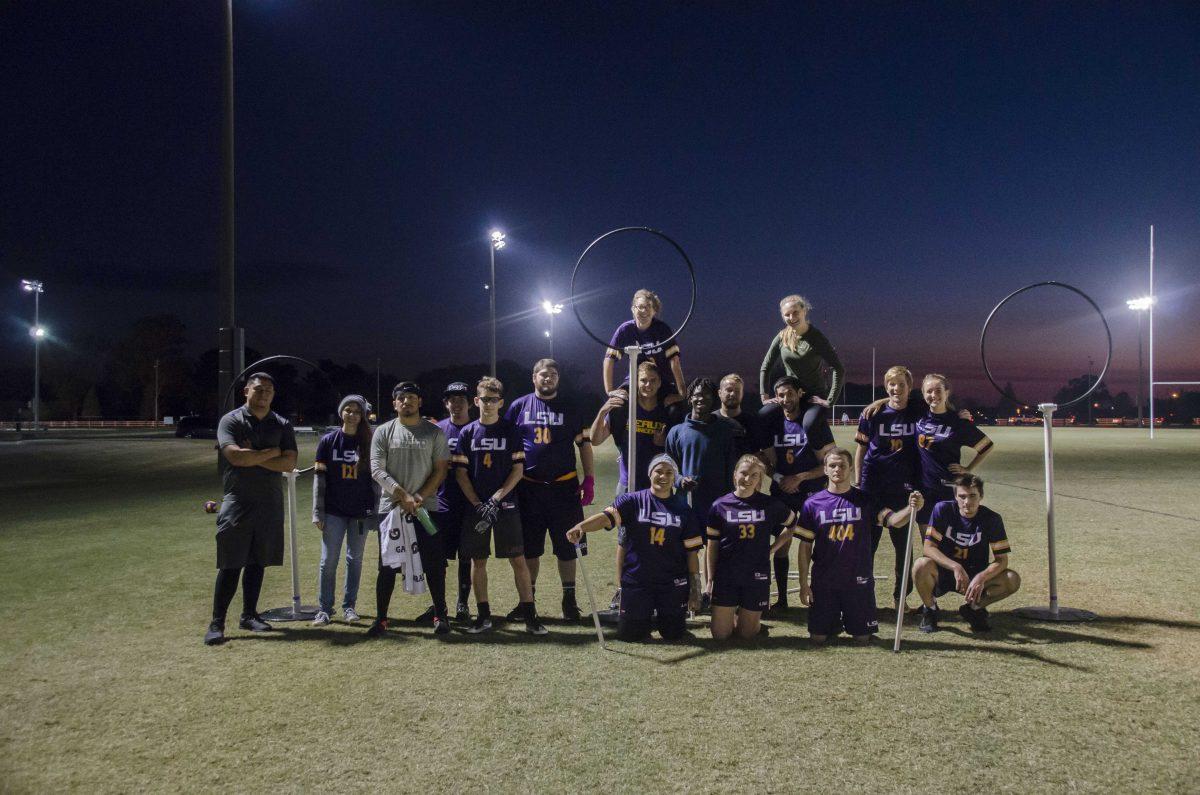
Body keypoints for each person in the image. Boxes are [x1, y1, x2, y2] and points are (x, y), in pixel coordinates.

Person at [205, 373, 298, 645]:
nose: (264, 395)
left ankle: (249, 615)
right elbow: (234, 456)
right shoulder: (231, 420)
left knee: (258, 562)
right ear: (246, 391)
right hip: (238, 501)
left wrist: (253, 456)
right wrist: (271, 453)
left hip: (269, 502)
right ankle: (217, 623)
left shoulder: (281, 423)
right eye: (258, 390)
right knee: (231, 564)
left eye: (269, 390)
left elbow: (289, 463)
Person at [566, 454, 702, 641]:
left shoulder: (684, 510)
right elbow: (606, 518)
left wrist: (695, 587)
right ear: (650, 474)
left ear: (674, 477)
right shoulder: (632, 501)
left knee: (674, 634)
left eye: (669, 473)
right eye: (658, 472)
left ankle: (661, 618)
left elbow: (692, 553)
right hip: (638, 579)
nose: (663, 476)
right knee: (630, 635)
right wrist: (581, 527)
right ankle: (643, 617)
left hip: (671, 582)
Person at [795, 448, 923, 644]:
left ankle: (848, 620)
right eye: (832, 466)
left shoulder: (866, 499)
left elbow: (895, 521)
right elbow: (805, 547)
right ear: (826, 470)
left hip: (858, 580)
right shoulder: (812, 504)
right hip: (824, 581)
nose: (837, 469)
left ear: (851, 469)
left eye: (842, 465)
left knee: (862, 638)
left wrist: (911, 508)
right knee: (817, 638)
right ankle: (832, 621)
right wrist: (804, 584)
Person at [454, 377, 547, 636]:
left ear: (501, 402)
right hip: (477, 508)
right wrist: (477, 503)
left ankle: (530, 615)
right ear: (476, 401)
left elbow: (518, 470)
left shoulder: (511, 431)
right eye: (484, 399)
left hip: (505, 505)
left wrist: (496, 498)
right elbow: (461, 474)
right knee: (478, 560)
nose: (488, 404)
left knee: (518, 559)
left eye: (493, 400)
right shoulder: (468, 432)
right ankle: (483, 615)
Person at [505, 359, 595, 621]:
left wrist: (588, 479)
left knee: (568, 547)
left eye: (553, 375)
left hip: (563, 488)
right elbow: (507, 445)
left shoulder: (570, 407)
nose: (549, 379)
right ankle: (527, 601)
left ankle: (569, 600)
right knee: (530, 548)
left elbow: (584, 445)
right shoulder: (518, 406)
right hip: (529, 488)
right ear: (534, 377)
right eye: (544, 375)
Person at [366, 381, 450, 637]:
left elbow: (440, 469)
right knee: (388, 565)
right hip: (391, 509)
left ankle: (441, 615)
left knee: (435, 563)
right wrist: (403, 496)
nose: (407, 401)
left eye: (412, 397)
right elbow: (377, 470)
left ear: (419, 402)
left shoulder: (434, 432)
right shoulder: (383, 431)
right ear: (394, 403)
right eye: (401, 398)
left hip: (427, 509)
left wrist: (419, 497)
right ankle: (381, 619)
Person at [758, 376, 836, 613]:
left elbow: (829, 465)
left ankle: (820, 595)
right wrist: (782, 479)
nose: (785, 399)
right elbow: (765, 462)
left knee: (816, 544)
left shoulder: (812, 422)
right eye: (780, 395)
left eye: (789, 393)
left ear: (799, 393)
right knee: (781, 542)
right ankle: (782, 599)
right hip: (783, 490)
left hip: (811, 490)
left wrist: (800, 478)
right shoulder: (773, 423)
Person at [853, 365, 924, 611]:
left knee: (904, 549)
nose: (896, 388)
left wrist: (961, 415)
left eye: (901, 384)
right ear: (886, 386)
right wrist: (858, 482)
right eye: (891, 384)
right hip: (873, 487)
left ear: (909, 387)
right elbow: (860, 449)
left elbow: (941, 407)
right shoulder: (872, 414)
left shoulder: (918, 410)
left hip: (903, 489)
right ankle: (863, 596)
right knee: (867, 547)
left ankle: (900, 598)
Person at [912, 473, 1020, 633]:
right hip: (945, 572)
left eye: (972, 496)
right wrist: (956, 567)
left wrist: (982, 577)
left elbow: (1002, 560)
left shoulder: (992, 519)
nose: (967, 502)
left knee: (1012, 579)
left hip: (975, 574)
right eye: (962, 496)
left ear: (981, 496)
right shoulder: (942, 510)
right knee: (921, 565)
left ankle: (973, 608)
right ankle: (931, 610)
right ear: (955, 496)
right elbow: (928, 548)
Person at [665, 377, 738, 608]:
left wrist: (730, 500)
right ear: (690, 398)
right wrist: (678, 480)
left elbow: (732, 469)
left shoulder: (725, 431)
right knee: (686, 549)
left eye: (705, 395)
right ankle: (688, 593)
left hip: (717, 502)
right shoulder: (676, 432)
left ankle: (711, 591)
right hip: (686, 503)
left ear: (713, 398)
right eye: (696, 395)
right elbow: (668, 467)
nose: (700, 399)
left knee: (715, 549)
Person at [706, 455, 796, 640]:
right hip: (727, 574)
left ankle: (753, 622)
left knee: (746, 635)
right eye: (744, 473)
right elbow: (712, 546)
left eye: (754, 475)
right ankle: (733, 615)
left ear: (760, 479)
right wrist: (710, 580)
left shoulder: (770, 504)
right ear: (734, 475)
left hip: (756, 574)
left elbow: (792, 523)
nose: (747, 479)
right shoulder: (719, 505)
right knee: (720, 635)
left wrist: (773, 548)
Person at [311, 394, 377, 626]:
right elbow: (320, 480)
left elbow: (375, 482)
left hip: (360, 512)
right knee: (328, 560)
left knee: (355, 559)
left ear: (362, 416)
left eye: (357, 411)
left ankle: (349, 607)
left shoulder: (369, 442)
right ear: (341, 413)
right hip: (333, 511)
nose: (352, 415)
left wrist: (375, 512)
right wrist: (317, 511)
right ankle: (324, 609)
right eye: (348, 410)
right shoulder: (328, 441)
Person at [758, 294, 844, 438]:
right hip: (790, 397)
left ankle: (824, 455)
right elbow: (766, 366)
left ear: (804, 311)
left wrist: (830, 400)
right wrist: (764, 396)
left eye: (795, 312)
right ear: (783, 317)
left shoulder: (816, 337)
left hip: (814, 397)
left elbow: (838, 368)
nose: (792, 317)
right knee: (762, 417)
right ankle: (771, 458)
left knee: (809, 424)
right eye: (787, 315)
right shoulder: (781, 337)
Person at [913, 374, 993, 524]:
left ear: (947, 392)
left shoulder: (958, 422)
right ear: (923, 394)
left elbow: (987, 446)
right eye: (929, 391)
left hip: (949, 488)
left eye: (938, 390)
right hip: (925, 488)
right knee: (928, 541)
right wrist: (875, 403)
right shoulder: (919, 416)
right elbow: (897, 400)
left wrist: (968, 468)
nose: (933, 395)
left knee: (949, 538)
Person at [591, 361, 672, 495]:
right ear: (635, 382)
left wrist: (662, 445)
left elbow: (676, 453)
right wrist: (602, 413)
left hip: (656, 485)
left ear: (659, 383)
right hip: (627, 484)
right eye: (643, 380)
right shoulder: (623, 409)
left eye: (653, 380)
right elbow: (595, 440)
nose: (648, 385)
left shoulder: (666, 411)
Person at [432, 382, 474, 622]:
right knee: (437, 558)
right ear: (446, 403)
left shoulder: (478, 428)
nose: (456, 404)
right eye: (452, 399)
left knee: (466, 557)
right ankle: (438, 604)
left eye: (461, 399)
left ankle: (462, 603)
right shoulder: (438, 429)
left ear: (470, 403)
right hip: (442, 501)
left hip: (469, 503)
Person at [603, 288, 686, 401]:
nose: (644, 310)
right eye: (640, 306)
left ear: (654, 311)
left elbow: (674, 361)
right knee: (615, 407)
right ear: (633, 309)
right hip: (634, 381)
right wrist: (610, 390)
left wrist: (682, 393)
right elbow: (609, 359)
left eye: (649, 307)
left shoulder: (663, 329)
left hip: (662, 381)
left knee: (674, 410)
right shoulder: (625, 330)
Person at [717, 373, 763, 461]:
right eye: (729, 390)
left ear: (742, 394)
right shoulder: (711, 420)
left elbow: (757, 455)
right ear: (720, 393)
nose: (733, 394)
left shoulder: (752, 422)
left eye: (737, 391)